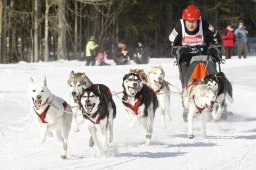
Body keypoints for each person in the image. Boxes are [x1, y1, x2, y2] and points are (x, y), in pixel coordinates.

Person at [169, 4, 221, 87]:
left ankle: (215, 91)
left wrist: (215, 49)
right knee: (187, 83)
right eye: (188, 21)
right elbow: (172, 45)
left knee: (213, 79)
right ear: (184, 20)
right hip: (186, 59)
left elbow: (216, 38)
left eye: (193, 22)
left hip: (204, 56)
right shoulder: (179, 27)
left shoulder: (205, 25)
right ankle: (186, 93)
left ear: (198, 20)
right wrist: (180, 50)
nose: (191, 25)